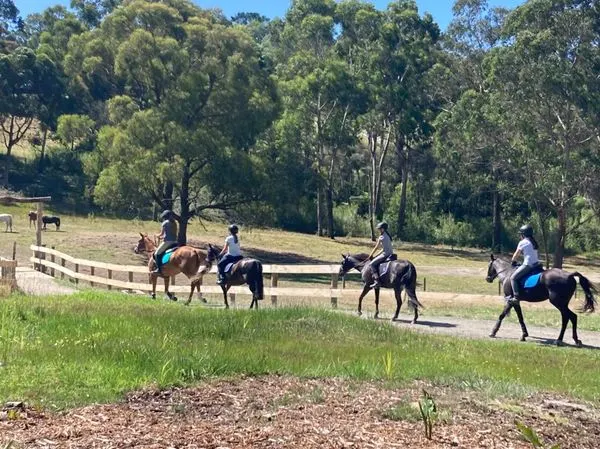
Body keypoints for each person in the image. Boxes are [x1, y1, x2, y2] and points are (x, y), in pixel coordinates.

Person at [507, 224, 541, 303]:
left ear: (523, 234)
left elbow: (516, 254)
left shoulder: (522, 242)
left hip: (528, 265)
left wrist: (513, 261)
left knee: (513, 278)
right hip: (536, 264)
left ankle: (516, 297)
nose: (520, 236)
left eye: (520, 234)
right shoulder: (533, 242)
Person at [367, 221, 394, 288]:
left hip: (385, 255)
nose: (379, 230)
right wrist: (376, 255)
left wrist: (370, 255)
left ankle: (377, 281)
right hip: (391, 254)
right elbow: (383, 249)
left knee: (371, 264)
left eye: (379, 229)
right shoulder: (388, 236)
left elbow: (376, 247)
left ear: (383, 229)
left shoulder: (381, 237)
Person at [153, 210, 178, 274]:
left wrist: (156, 235)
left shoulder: (165, 223)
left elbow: (161, 234)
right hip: (175, 241)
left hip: (167, 242)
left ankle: (159, 269)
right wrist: (162, 237)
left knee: (156, 254)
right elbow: (170, 234)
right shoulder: (175, 223)